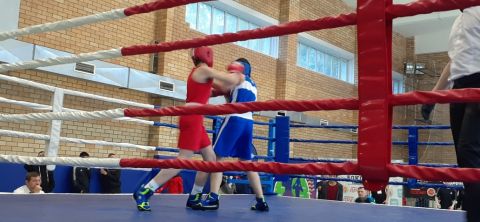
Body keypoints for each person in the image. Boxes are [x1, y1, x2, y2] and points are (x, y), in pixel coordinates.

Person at [133, 46, 244, 211]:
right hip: (192, 117)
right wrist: (239, 74)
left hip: (195, 118)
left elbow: (221, 88)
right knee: (182, 161)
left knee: (210, 159)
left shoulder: (199, 73)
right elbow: (229, 81)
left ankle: (194, 196)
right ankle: (146, 190)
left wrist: (229, 87)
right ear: (206, 56)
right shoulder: (203, 70)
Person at [420, 7, 480, 222]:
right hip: (458, 89)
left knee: (469, 151)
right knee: (464, 160)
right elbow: (453, 61)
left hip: (478, 84)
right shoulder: (457, 21)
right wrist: (432, 98)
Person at [200, 58, 269, 211]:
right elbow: (228, 94)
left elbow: (219, 87)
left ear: (241, 69)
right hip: (248, 123)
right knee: (247, 163)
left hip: (235, 119)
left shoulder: (239, 78)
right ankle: (261, 200)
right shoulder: (253, 85)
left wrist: (204, 74)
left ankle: (213, 197)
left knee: (218, 158)